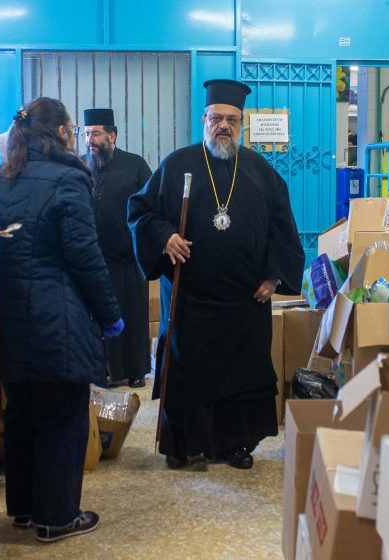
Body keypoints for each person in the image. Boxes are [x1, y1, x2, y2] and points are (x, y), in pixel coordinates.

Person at [128, 79, 304, 470]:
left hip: (244, 302)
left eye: (232, 119)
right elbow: (141, 212)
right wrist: (166, 237)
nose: (223, 125)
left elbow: (283, 230)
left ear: (241, 123)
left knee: (242, 376)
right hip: (191, 300)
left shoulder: (262, 172)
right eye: (216, 118)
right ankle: (183, 444)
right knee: (189, 375)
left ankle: (234, 445)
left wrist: (274, 276)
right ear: (204, 120)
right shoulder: (177, 166)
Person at [0, 97, 123, 544]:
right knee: (62, 417)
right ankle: (58, 517)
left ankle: (22, 510)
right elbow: (84, 256)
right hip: (57, 319)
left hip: (8, 321)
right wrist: (110, 314)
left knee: (20, 413)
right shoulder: (67, 179)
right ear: (61, 132)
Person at [81, 108, 153, 389]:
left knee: (132, 314)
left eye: (96, 133)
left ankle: (135, 371)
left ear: (112, 135)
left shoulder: (135, 165)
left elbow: (150, 204)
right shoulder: (79, 166)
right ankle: (104, 371)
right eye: (87, 134)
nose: (90, 140)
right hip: (94, 257)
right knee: (98, 315)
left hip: (127, 257)